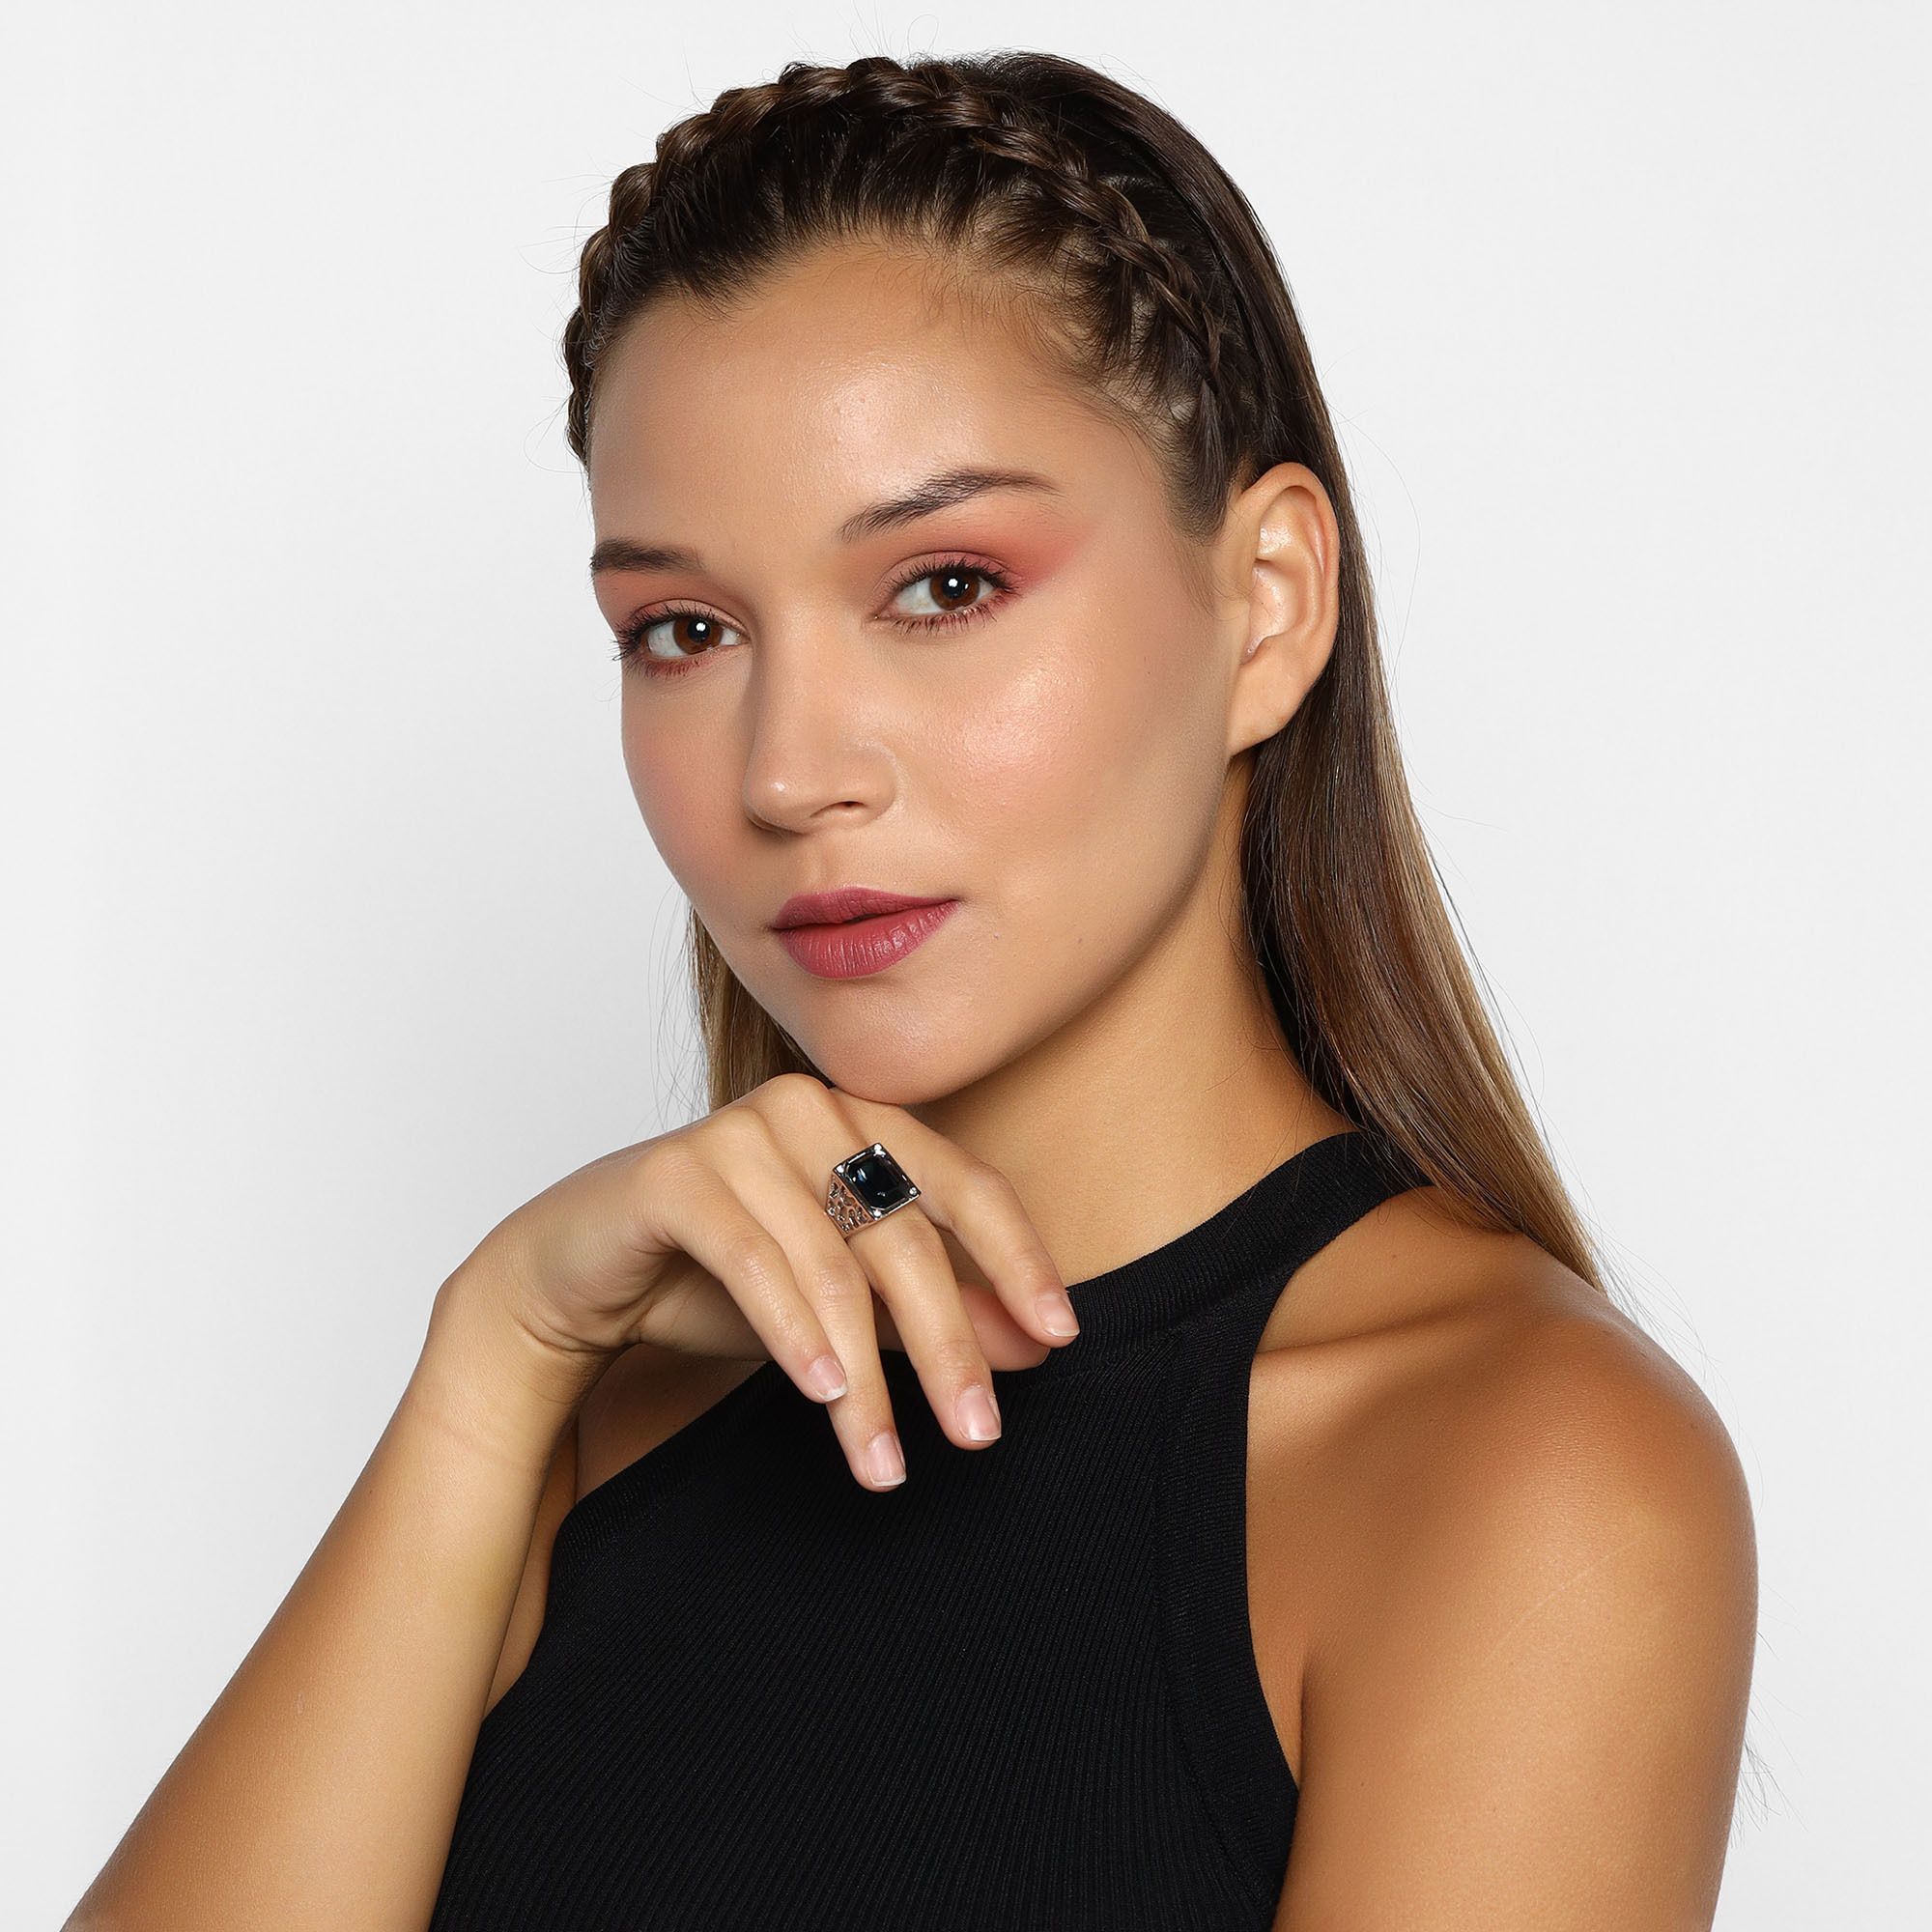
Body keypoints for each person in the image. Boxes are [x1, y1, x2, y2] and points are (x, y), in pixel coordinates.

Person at [68, 49, 1757, 1931]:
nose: (789, 770)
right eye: (683, 631)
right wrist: (490, 1369)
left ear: (1265, 603)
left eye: (944, 586)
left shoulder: (1518, 1470)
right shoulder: (584, 1426)